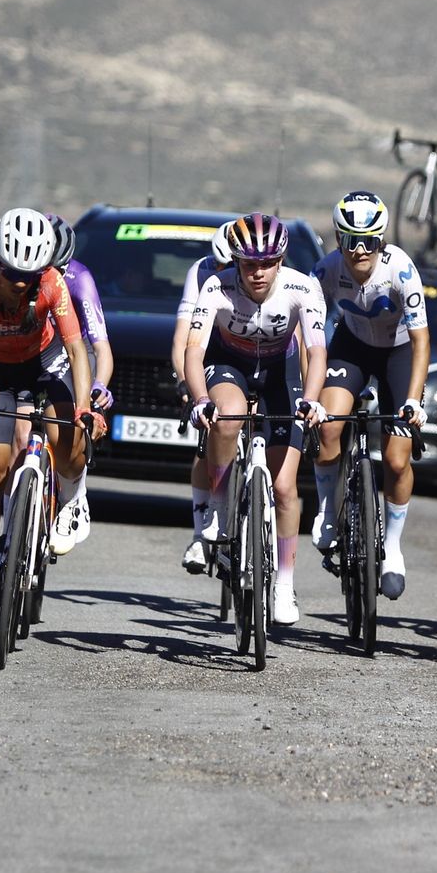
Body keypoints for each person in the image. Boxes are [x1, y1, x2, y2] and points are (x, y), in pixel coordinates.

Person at [0, 207, 101, 623]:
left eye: (29, 276)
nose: (21, 283)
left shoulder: (51, 283)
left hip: (47, 366)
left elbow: (75, 349)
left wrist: (83, 406)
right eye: (13, 273)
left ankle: (72, 496)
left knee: (67, 438)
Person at [182, 213, 328, 625]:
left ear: (281, 261)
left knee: (284, 488)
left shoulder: (304, 286)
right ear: (236, 262)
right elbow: (194, 351)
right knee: (226, 419)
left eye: (267, 263)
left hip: (281, 373)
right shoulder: (216, 286)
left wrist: (312, 400)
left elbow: (317, 353)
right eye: (249, 264)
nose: (258, 272)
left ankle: (284, 585)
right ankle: (216, 503)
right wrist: (198, 399)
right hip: (230, 365)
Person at [309, 191, 429, 601]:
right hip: (352, 347)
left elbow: (421, 340)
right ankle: (328, 510)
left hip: (399, 351)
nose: (360, 250)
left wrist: (413, 399)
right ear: (338, 239)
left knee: (397, 458)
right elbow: (307, 332)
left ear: (381, 240)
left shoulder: (401, 271)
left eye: (370, 241)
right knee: (328, 427)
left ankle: (392, 548)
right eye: (350, 240)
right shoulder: (324, 271)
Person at [175, 222, 246, 572]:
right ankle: (202, 533)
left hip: (257, 349)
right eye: (218, 267)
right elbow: (183, 339)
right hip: (213, 348)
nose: (224, 274)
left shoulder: (265, 270)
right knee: (209, 437)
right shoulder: (202, 272)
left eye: (229, 266)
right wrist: (190, 387)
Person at [43, 213, 113, 554]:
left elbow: (101, 347)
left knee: (66, 437)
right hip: (34, 353)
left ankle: (73, 492)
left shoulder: (78, 277)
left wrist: (99, 385)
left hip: (73, 354)